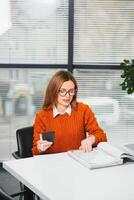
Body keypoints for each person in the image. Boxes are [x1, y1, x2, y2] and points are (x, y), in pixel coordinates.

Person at [32, 70, 107, 155]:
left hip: (77, 162)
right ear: (54, 91)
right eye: (63, 91)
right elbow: (35, 151)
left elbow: (102, 136)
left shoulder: (83, 110)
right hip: (53, 164)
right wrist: (40, 148)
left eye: (71, 91)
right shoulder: (42, 116)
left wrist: (91, 139)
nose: (67, 96)